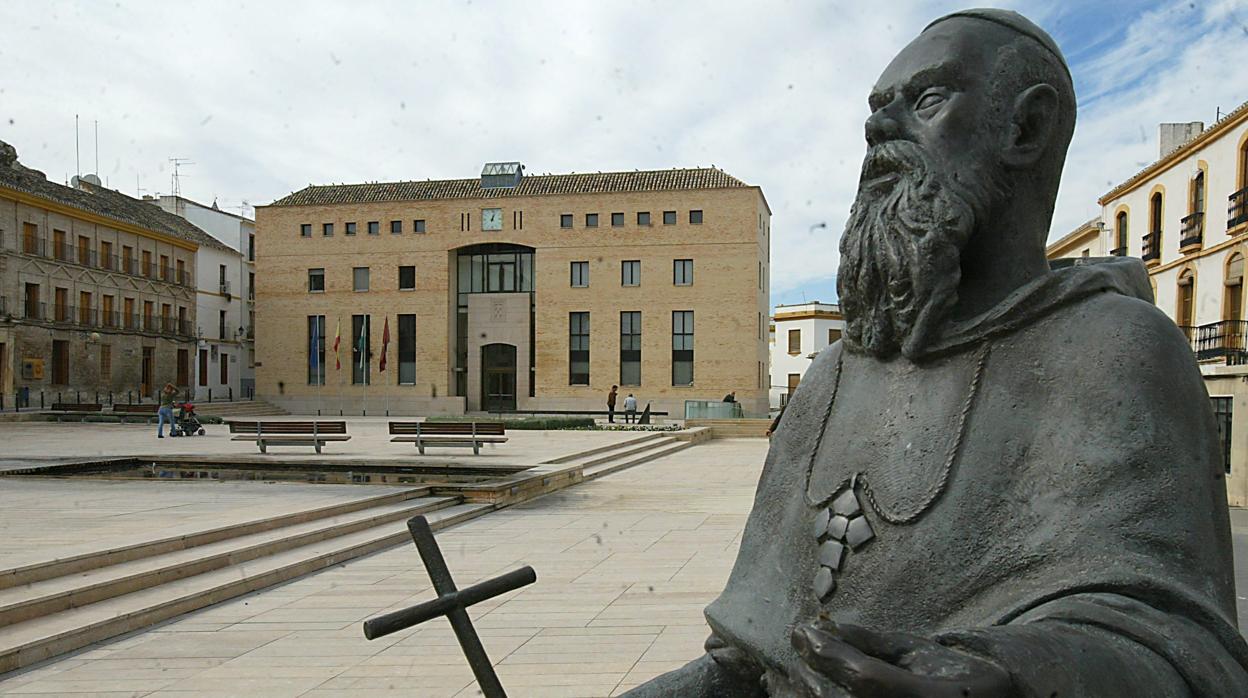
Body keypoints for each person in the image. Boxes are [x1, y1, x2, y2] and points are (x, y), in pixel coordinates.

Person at [624, 9, 1248, 697]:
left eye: (924, 101)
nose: (877, 131)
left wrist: (1012, 675)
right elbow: (744, 663)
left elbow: (1182, 648)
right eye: (875, 111)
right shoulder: (832, 376)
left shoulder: (1116, 352)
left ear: (1026, 128)